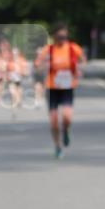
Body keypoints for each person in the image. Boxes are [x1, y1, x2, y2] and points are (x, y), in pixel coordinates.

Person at [35, 24, 86, 158]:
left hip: (67, 86)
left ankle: (66, 130)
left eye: (64, 36)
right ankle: (58, 147)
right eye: (60, 36)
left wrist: (79, 69)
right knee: (53, 120)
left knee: (67, 116)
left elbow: (83, 61)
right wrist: (43, 66)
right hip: (52, 87)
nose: (62, 39)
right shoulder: (48, 50)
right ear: (54, 37)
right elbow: (37, 66)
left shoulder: (73, 48)